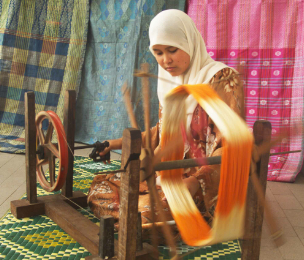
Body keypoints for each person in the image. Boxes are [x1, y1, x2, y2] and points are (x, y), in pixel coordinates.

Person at [87, 9, 244, 230]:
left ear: (189, 42)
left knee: (148, 212)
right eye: (158, 53)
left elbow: (231, 146)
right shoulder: (170, 81)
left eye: (172, 50)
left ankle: (137, 220)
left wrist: (195, 182)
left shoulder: (223, 80)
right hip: (163, 178)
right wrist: (112, 144)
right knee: (99, 188)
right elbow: (162, 133)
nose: (165, 60)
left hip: (200, 188)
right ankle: (137, 221)